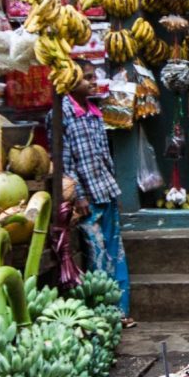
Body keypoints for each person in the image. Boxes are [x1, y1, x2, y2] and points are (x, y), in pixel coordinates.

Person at [56, 64, 134, 327]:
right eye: (86, 78)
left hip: (106, 192)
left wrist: (115, 191)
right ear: (70, 82)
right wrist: (77, 196)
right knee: (97, 258)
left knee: (116, 254)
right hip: (87, 198)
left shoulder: (94, 111)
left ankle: (121, 312)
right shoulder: (63, 113)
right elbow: (64, 162)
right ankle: (105, 314)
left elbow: (105, 157)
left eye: (93, 77)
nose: (92, 82)